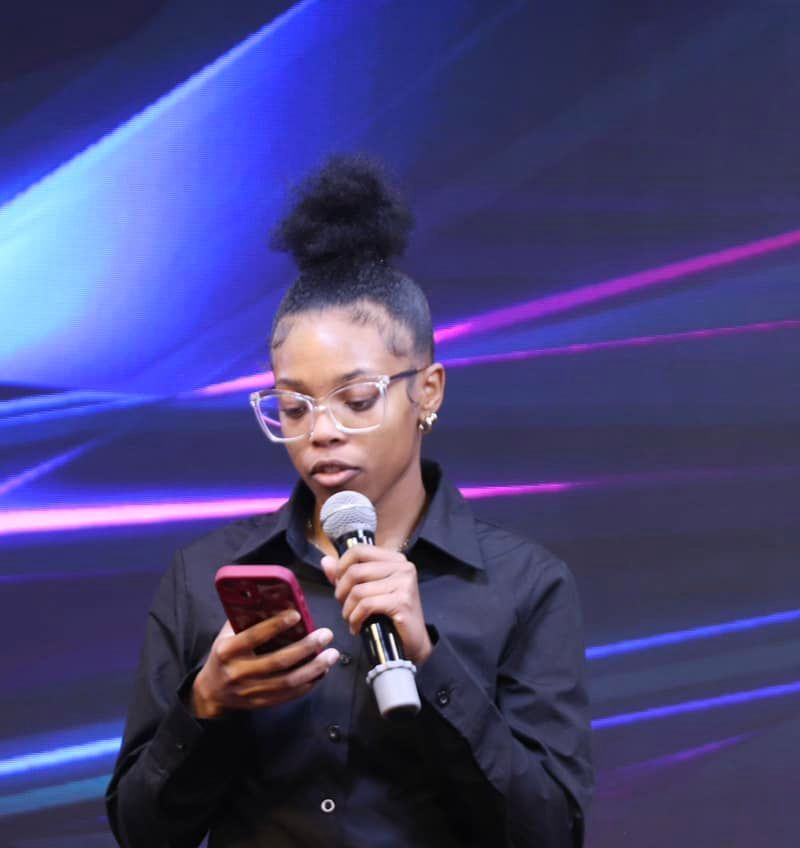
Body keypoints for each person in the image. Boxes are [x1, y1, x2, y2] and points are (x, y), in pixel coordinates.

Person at [106, 155, 593, 847]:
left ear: (427, 393)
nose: (322, 433)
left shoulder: (523, 585)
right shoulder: (203, 575)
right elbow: (141, 833)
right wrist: (206, 704)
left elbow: (551, 834)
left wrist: (429, 659)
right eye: (293, 406)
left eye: (357, 400)